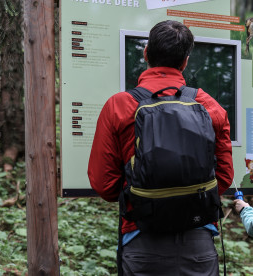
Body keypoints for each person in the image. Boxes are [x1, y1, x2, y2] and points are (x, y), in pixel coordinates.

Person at [88, 20, 234, 275]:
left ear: (146, 54)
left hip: (142, 239)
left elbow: (106, 186)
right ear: (185, 61)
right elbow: (223, 178)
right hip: (198, 241)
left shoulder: (119, 106)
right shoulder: (210, 106)